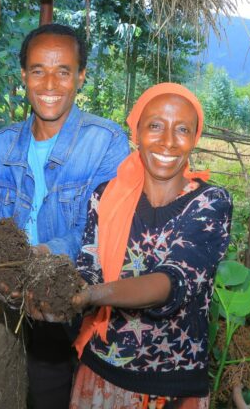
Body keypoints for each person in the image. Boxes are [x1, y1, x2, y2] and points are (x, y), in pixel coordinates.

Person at [0, 24, 129, 408]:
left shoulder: (105, 141)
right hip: (5, 291)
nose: (50, 83)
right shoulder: (1, 144)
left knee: (54, 377)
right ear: (23, 76)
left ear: (81, 76)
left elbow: (100, 230)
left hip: (70, 293)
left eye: (63, 71)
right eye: (38, 70)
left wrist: (36, 259)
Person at [70, 83, 232, 408]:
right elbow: (88, 268)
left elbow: (171, 282)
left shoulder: (210, 203)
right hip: (101, 373)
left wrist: (92, 294)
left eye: (182, 129)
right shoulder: (106, 197)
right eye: (155, 126)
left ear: (195, 138)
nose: (168, 141)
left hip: (170, 387)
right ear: (136, 133)